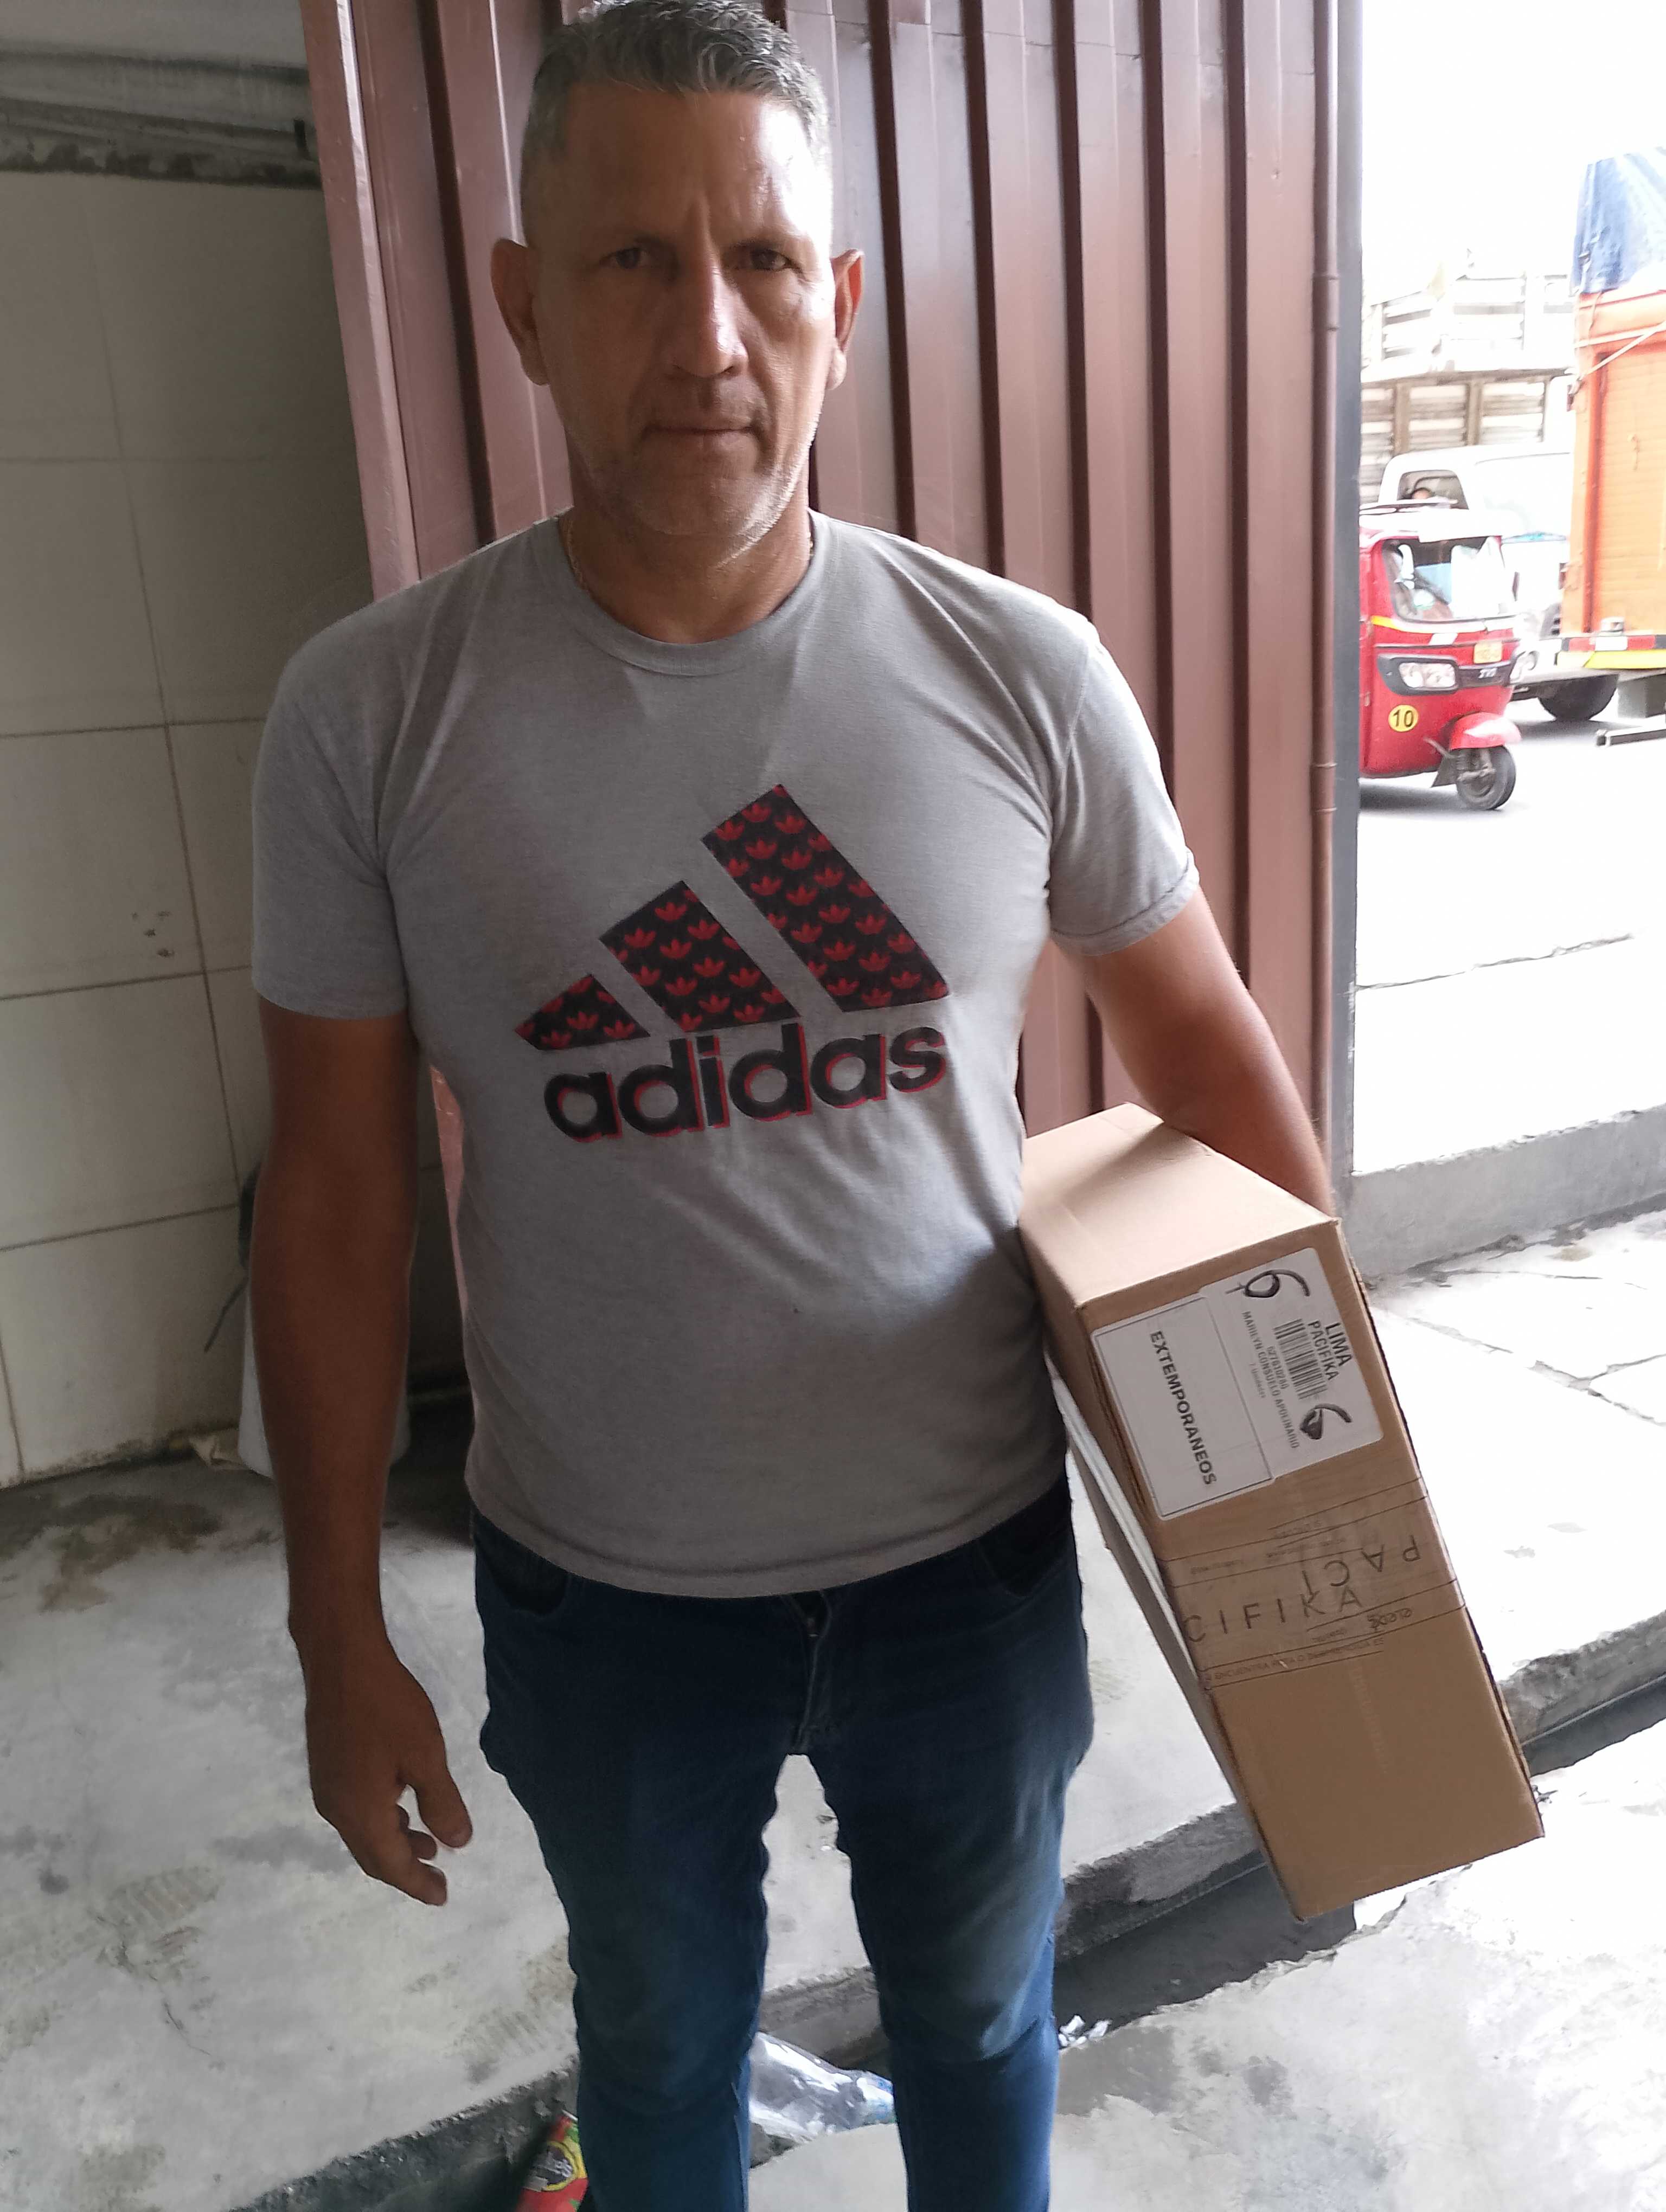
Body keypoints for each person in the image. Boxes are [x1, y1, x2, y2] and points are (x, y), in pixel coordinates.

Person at [249, 3, 1332, 2206]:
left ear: (838, 305)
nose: (709, 335)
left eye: (760, 261)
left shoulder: (1021, 674)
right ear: (522, 304)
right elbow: (339, 1197)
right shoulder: (372, 719)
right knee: (661, 2064)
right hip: (603, 1602)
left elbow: (1216, 1072)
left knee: (983, 2029)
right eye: (634, 261)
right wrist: (332, 1628)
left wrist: (1310, 1524)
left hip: (968, 1572)